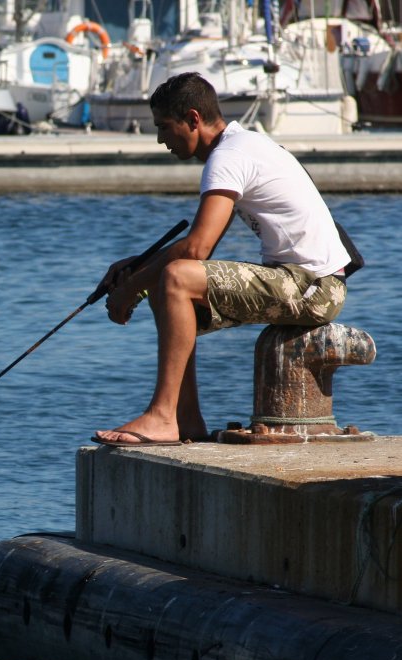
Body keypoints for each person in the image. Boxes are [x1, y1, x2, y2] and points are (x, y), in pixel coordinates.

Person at [91, 72, 351, 447]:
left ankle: (163, 416)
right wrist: (137, 265)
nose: (160, 139)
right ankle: (185, 419)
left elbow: (196, 250)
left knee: (177, 278)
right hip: (307, 281)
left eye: (164, 127)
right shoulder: (242, 146)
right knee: (171, 285)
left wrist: (130, 287)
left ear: (193, 119)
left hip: (313, 286)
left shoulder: (228, 157)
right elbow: (199, 246)